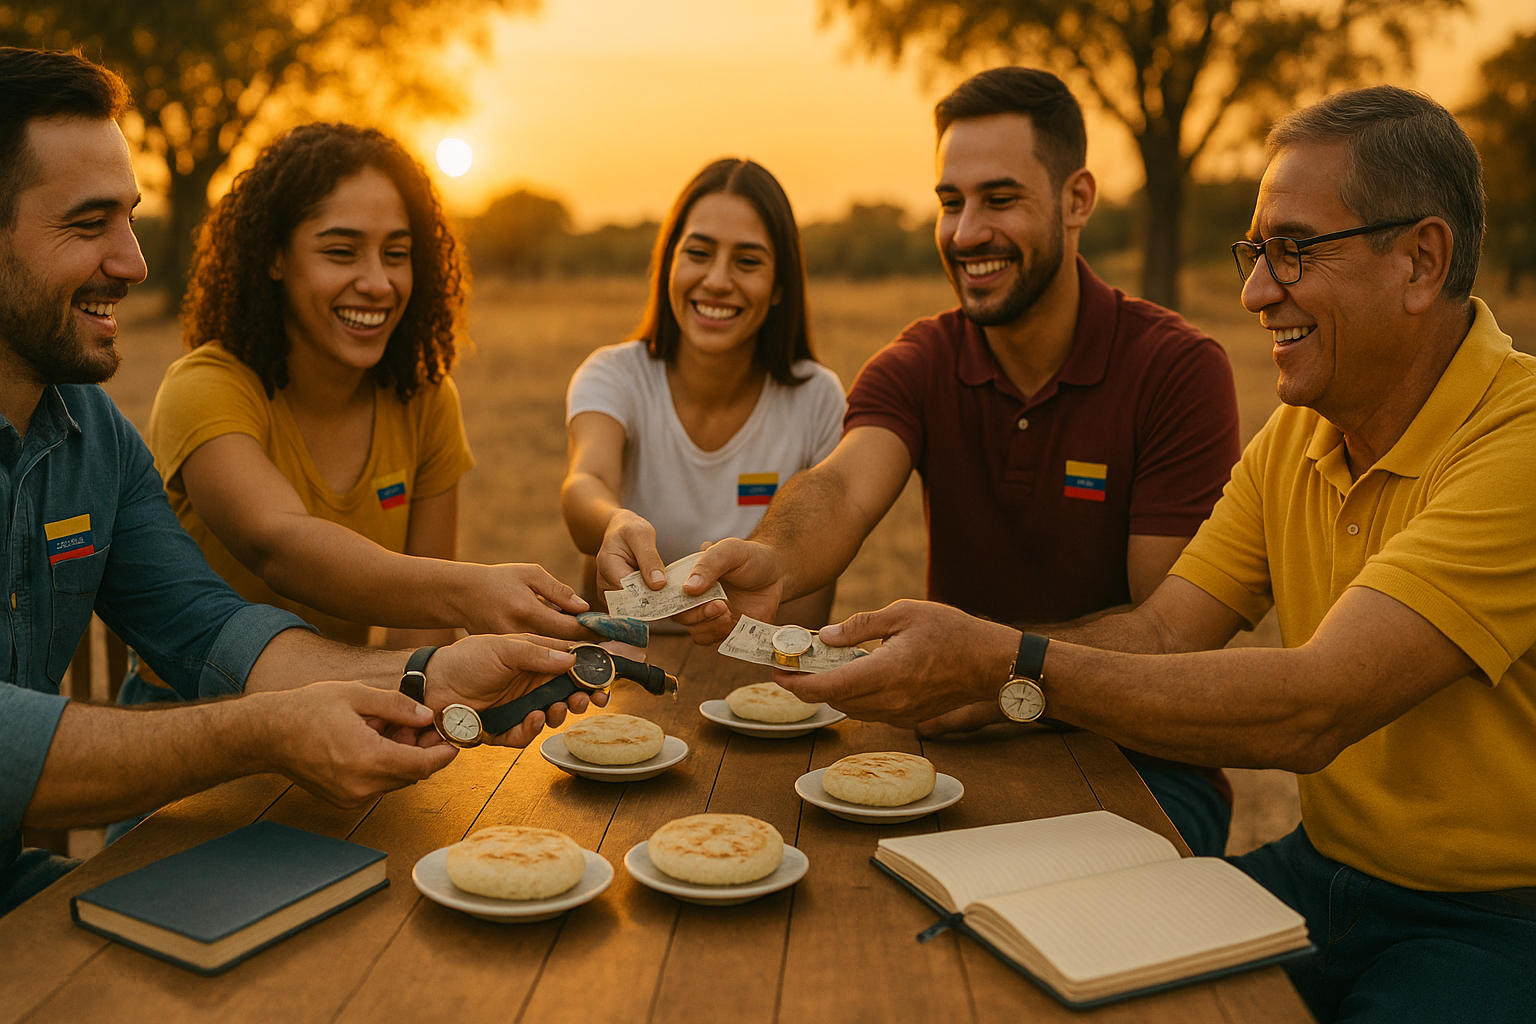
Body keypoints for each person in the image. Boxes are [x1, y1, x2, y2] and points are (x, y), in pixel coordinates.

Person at [763, 86, 1536, 1024]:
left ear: (1421, 261)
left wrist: (1005, 662)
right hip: (1320, 873)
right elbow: (1168, 628)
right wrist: (974, 670)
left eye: (1292, 252)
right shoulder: (1301, 437)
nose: (1255, 293)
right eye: (1255, 255)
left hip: (1497, 920)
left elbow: (1317, 707)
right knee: (1024, 972)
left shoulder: (1519, 445)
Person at [0, 47, 597, 916]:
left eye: (130, 220)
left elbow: (214, 631)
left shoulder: (97, 440)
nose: (132, 262)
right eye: (90, 224)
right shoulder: (207, 386)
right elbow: (276, 554)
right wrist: (266, 733)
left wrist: (429, 674)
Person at [675, 69, 1242, 854]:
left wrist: (986, 672)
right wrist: (774, 559)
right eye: (950, 202)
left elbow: (1170, 639)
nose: (966, 231)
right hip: (955, 760)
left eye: (999, 199)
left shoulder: (1178, 370)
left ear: (1078, 199)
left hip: (1142, 767)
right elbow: (841, 485)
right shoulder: (920, 360)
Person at [119, 121, 590, 713]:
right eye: (341, 252)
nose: (377, 282)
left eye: (397, 254)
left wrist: (429, 707)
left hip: (358, 709)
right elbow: (280, 546)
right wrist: (477, 592)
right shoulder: (206, 386)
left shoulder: (424, 399)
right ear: (273, 257)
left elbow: (421, 636)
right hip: (192, 722)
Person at [561, 158, 844, 627]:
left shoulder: (818, 397)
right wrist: (615, 521)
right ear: (669, 263)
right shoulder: (613, 374)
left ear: (779, 287)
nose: (716, 280)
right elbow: (585, 482)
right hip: (628, 670)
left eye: (748, 262)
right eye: (698, 253)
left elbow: (814, 577)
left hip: (762, 681)